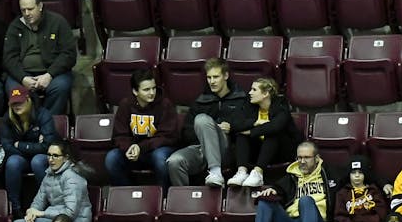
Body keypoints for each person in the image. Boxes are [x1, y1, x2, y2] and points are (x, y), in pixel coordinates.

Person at [167, 58, 254, 187]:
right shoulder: (201, 101)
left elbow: (249, 125)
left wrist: (231, 128)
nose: (212, 81)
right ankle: (184, 201)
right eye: (209, 77)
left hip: (227, 148)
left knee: (202, 119)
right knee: (174, 161)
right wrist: (207, 131)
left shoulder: (241, 99)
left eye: (216, 77)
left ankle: (215, 172)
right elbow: (187, 132)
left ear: (226, 75)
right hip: (200, 147)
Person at [3, 0, 77, 115]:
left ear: (40, 6)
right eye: (23, 10)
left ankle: (48, 122)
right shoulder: (15, 26)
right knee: (14, 89)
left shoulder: (58, 22)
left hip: (53, 73)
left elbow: (69, 54)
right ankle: (28, 124)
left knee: (60, 87)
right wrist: (23, 78)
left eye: (30, 9)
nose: (27, 13)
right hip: (24, 73)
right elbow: (9, 58)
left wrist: (49, 75)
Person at [106, 68, 178, 187]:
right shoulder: (126, 105)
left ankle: (163, 198)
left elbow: (167, 136)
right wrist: (128, 148)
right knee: (111, 158)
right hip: (134, 152)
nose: (151, 93)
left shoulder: (165, 104)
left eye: (153, 88)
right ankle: (127, 195)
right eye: (146, 89)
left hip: (156, 151)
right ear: (135, 91)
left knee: (160, 157)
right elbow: (119, 135)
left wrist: (141, 147)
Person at [230, 77, 300, 188]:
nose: (249, 93)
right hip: (259, 152)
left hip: (282, 151)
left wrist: (251, 131)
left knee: (272, 133)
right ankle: (241, 172)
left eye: (254, 90)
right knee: (241, 135)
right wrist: (255, 122)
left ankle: (258, 173)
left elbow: (276, 126)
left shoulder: (281, 104)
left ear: (265, 93)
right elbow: (234, 124)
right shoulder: (249, 104)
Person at [1, 87, 59, 216]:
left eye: (20, 102)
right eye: (14, 103)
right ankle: (15, 209)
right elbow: (7, 146)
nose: (17, 106)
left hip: (43, 157)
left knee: (37, 161)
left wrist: (20, 145)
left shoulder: (43, 114)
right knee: (12, 162)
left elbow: (48, 146)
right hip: (20, 157)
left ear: (28, 100)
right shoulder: (7, 118)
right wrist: (33, 147)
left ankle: (49, 205)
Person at [251, 142, 339, 222]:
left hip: (317, 220)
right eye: (299, 158)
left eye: (307, 157)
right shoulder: (291, 176)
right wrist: (272, 190)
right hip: (291, 220)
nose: (302, 161)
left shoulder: (329, 173)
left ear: (316, 158)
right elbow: (278, 188)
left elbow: (350, 171)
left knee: (305, 201)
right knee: (265, 199)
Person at [16, 139, 93, 222]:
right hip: (54, 218)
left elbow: (70, 212)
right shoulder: (49, 174)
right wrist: (31, 213)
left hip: (75, 221)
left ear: (65, 158)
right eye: (49, 155)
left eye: (55, 155)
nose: (50, 159)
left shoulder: (72, 176)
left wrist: (42, 213)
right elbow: (39, 201)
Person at [333, 156, 390, 222]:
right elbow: (339, 216)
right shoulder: (342, 193)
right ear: (349, 175)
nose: (357, 175)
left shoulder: (374, 191)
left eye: (360, 172)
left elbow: (381, 213)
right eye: (353, 172)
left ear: (365, 174)